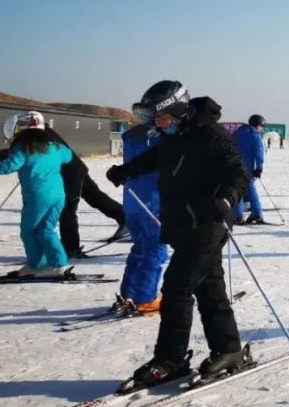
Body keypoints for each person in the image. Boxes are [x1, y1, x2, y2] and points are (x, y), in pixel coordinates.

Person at [105, 88, 249, 388]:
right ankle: (229, 350)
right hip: (184, 222)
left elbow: (238, 173)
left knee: (176, 288)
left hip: (208, 223)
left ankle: (170, 361)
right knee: (210, 289)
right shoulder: (175, 135)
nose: (158, 124)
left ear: (181, 111)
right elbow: (156, 158)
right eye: (154, 119)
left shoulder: (211, 135)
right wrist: (126, 170)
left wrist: (227, 198)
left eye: (162, 117)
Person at [0, 113, 126, 258]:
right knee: (95, 198)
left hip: (69, 173)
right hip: (74, 169)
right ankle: (125, 219)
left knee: (68, 208)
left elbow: (29, 154)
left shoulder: (38, 136)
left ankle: (71, 248)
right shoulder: (41, 133)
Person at [0, 111, 75, 277]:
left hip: (38, 197)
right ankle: (58, 264)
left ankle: (37, 266)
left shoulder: (24, 147)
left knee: (28, 231)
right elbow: (68, 156)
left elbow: (8, 165)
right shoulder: (55, 147)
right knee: (46, 230)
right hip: (58, 196)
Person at [114, 81, 176, 315]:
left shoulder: (132, 135)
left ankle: (128, 292)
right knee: (155, 251)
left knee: (140, 248)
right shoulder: (159, 138)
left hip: (133, 203)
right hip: (153, 203)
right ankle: (146, 298)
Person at [233, 114, 266, 224]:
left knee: (238, 192)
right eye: (262, 126)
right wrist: (259, 168)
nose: (262, 129)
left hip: (234, 168)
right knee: (251, 192)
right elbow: (259, 154)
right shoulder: (255, 136)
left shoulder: (236, 133)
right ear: (257, 125)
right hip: (247, 170)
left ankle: (238, 216)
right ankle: (257, 214)